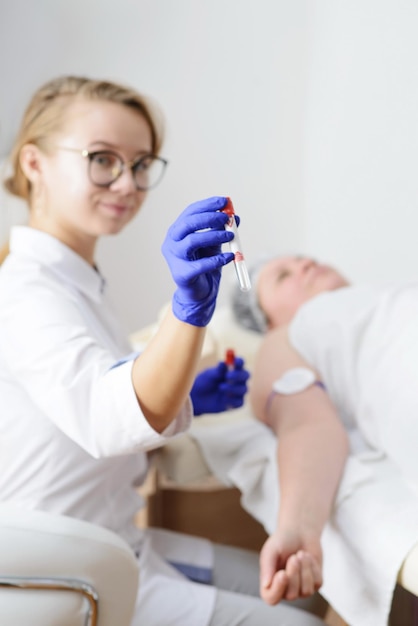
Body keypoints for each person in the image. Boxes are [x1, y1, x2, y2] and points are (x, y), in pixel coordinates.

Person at [0, 76, 328, 626]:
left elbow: (90, 404)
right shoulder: (28, 292)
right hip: (59, 563)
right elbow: (106, 419)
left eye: (142, 163)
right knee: (301, 619)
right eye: (102, 159)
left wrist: (184, 393)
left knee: (299, 593)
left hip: (114, 538)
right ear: (34, 164)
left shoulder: (78, 284)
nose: (127, 183)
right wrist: (186, 312)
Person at [231, 254, 418, 614]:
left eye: (304, 261)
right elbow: (307, 425)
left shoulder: (387, 295)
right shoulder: (283, 339)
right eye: (283, 276)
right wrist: (298, 531)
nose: (304, 267)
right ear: (266, 319)